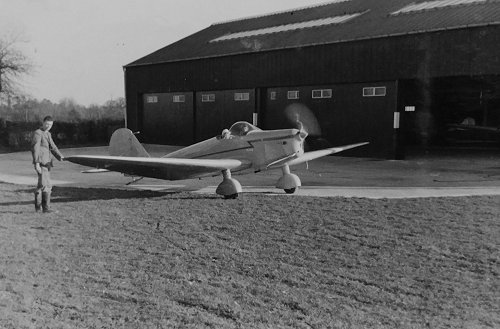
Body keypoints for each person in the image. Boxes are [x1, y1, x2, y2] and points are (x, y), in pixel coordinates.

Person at [31, 116, 65, 213]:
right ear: (43, 122)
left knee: (41, 184)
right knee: (46, 185)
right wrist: (37, 163)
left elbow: (53, 147)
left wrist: (60, 156)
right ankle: (46, 209)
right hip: (41, 163)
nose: (48, 126)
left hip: (47, 163)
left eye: (50, 125)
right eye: (47, 124)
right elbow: (35, 148)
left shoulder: (48, 134)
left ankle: (38, 208)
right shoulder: (38, 133)